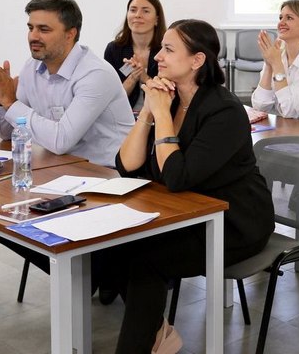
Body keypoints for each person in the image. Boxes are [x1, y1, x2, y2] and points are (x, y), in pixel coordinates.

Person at [109, 19, 275, 354]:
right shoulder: (168, 99)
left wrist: (162, 114)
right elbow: (126, 165)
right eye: (161, 49)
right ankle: (157, 333)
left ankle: (144, 342)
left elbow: (177, 176)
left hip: (235, 221)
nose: (158, 56)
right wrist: (148, 114)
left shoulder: (224, 111)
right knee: (113, 247)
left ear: (197, 60)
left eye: (169, 50)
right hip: (187, 213)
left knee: (144, 258)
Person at [0, 0, 133, 167]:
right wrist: (0, 100)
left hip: (108, 174)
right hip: (62, 168)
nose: (33, 36)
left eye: (43, 29)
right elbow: (8, 133)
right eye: (30, 28)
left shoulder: (95, 74)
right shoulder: (31, 67)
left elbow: (60, 141)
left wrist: (11, 104)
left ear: (70, 34)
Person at [104, 0, 166, 112]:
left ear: (157, 19)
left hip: (157, 118)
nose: (138, 15)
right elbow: (108, 100)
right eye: (133, 10)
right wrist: (133, 77)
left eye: (145, 11)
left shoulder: (166, 51)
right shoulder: (114, 50)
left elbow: (169, 97)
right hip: (123, 119)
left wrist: (145, 77)